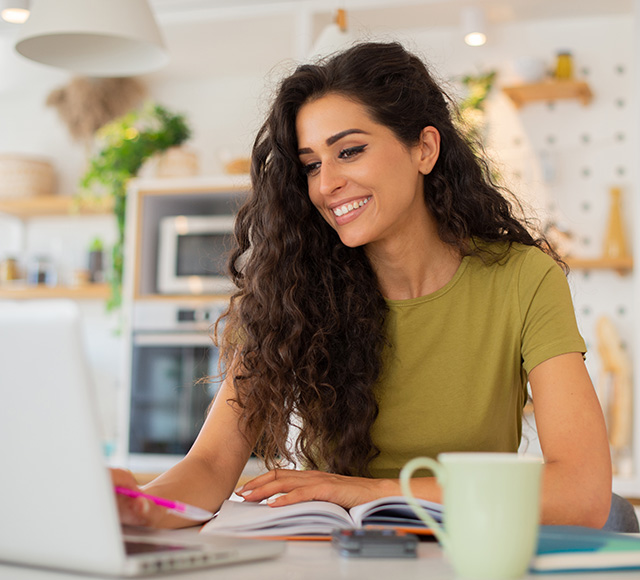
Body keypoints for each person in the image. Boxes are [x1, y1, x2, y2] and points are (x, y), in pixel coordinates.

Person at [113, 41, 612, 529]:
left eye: (348, 151)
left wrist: (374, 491)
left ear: (424, 148)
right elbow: (209, 467)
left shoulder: (524, 279)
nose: (325, 184)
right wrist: (137, 506)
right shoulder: (293, 291)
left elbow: (583, 494)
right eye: (311, 164)